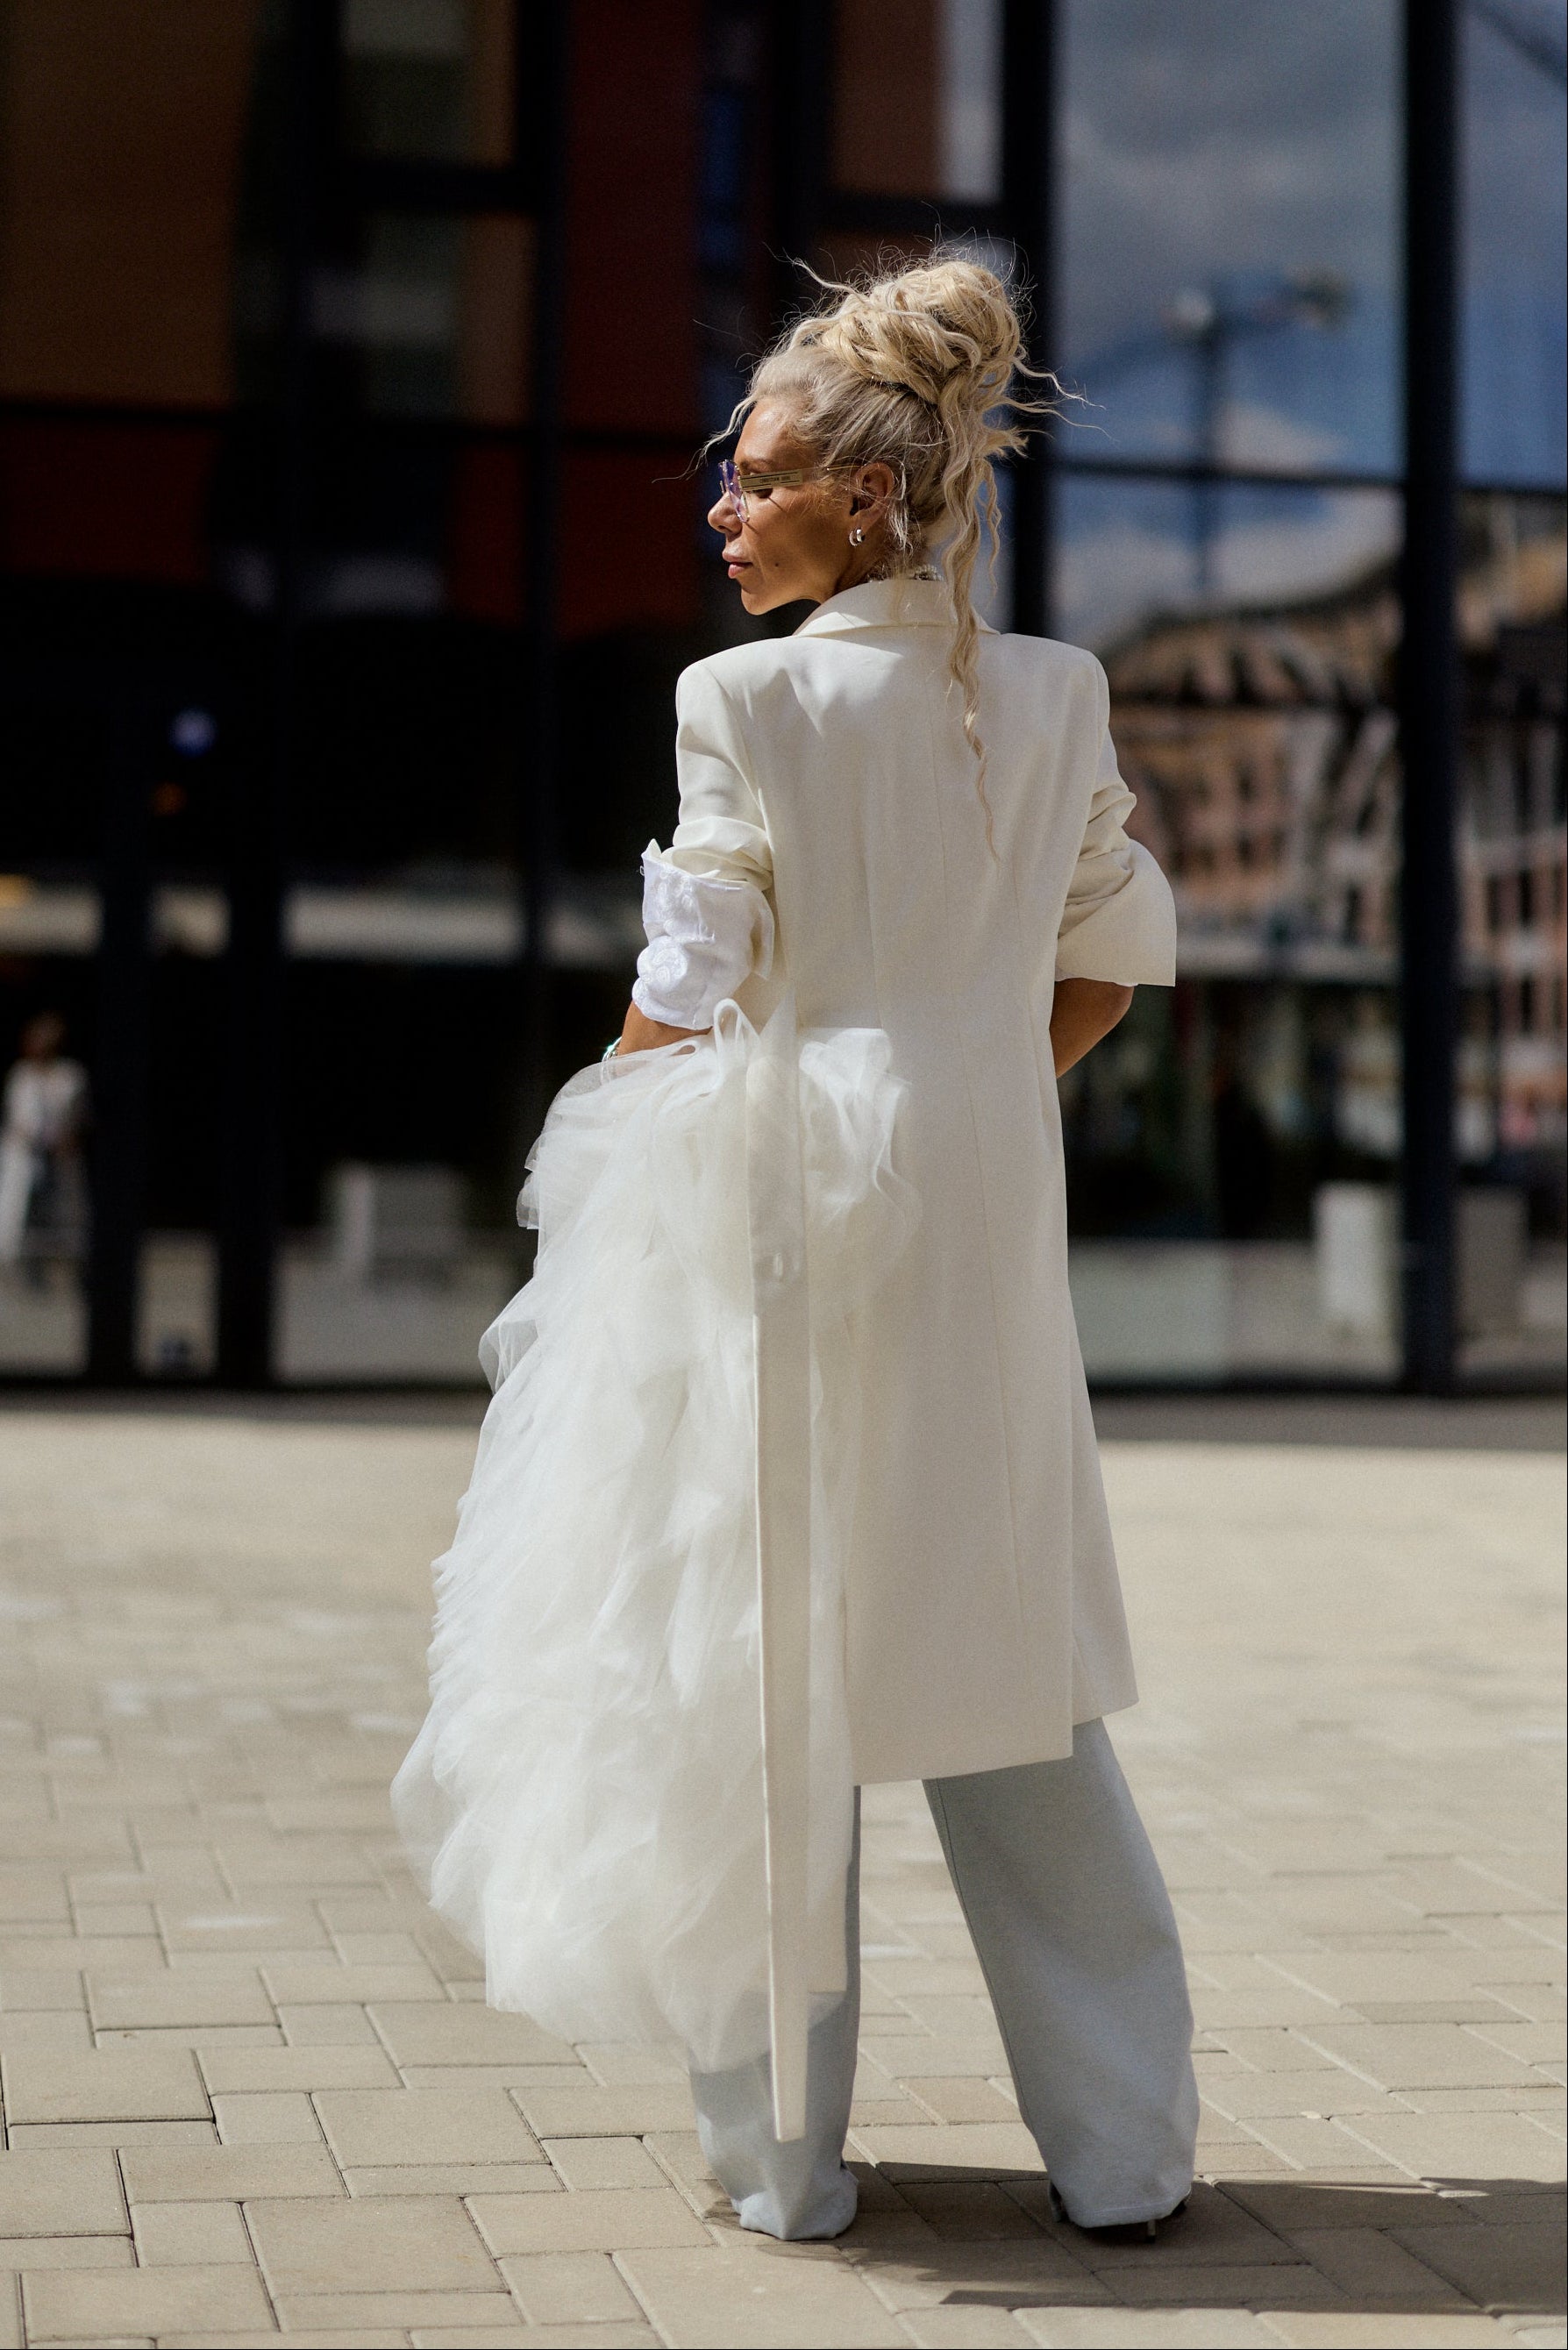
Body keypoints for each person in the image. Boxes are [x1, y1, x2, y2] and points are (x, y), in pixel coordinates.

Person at [395, 253, 1197, 2249]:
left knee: (771, 1670)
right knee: (1016, 1674)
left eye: (751, 478)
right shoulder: (1056, 685)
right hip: (984, 1200)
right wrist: (979, 1088)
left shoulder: (735, 695)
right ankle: (1128, 2149)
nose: (720, 510)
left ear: (867, 493)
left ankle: (784, 2160)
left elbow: (694, 971)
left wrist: (598, 1154)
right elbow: (1118, 947)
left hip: (781, 1205)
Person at [0, 1013, 88, 1281]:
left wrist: (65, 1139)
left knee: (65, 1212)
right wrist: (35, 1139)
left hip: (60, 1157)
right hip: (26, 1156)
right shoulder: (22, 1076)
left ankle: (70, 1263)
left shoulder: (70, 1076)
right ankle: (19, 1264)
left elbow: (80, 1117)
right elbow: (17, 1117)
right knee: (20, 1210)